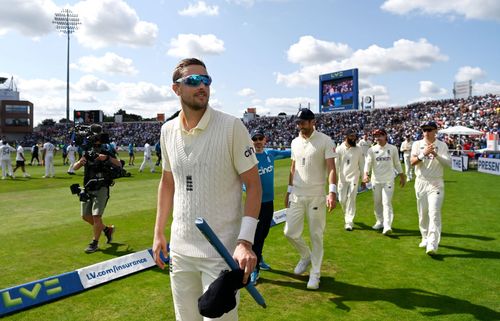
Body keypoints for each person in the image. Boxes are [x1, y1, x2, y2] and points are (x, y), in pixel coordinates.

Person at [152, 58, 262, 320]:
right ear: (176, 89)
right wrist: (158, 232)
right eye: (192, 80)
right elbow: (168, 182)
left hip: (221, 251)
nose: (201, 85)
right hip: (180, 250)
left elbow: (254, 185)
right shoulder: (167, 130)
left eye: (206, 80)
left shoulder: (231, 126)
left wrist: (245, 242)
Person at [284, 108, 337, 290]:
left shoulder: (325, 140)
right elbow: (293, 167)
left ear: (313, 122)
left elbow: (331, 168)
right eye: (298, 123)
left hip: (316, 196)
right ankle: (305, 256)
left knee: (316, 235)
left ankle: (315, 274)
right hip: (297, 195)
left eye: (303, 122)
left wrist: (332, 192)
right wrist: (289, 190)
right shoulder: (294, 142)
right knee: (289, 232)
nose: (300, 126)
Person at [249, 129, 291, 285]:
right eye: (255, 139)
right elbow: (240, 179)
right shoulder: (247, 157)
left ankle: (258, 259)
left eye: (260, 138)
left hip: (269, 203)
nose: (258, 141)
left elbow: (292, 152)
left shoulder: (270, 154)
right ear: (251, 141)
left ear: (265, 140)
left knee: (263, 234)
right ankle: (255, 269)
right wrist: (248, 189)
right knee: (255, 236)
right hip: (254, 203)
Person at [73, 126, 120, 253]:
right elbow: (74, 167)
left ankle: (94, 243)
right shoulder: (87, 152)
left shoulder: (107, 150)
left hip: (102, 186)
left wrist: (107, 158)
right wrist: (80, 163)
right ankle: (107, 230)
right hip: (88, 186)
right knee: (85, 216)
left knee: (96, 216)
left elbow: (119, 164)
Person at [410, 121, 451, 255]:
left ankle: (432, 244)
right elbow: (412, 162)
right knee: (423, 213)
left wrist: (436, 154)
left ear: (435, 131)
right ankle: (425, 237)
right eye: (424, 130)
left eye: (429, 130)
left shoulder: (442, 145)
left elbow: (448, 164)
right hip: (421, 181)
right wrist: (424, 154)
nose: (426, 132)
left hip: (436, 183)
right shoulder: (417, 144)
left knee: (434, 212)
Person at [363, 128, 406, 235]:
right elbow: (367, 163)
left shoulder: (392, 148)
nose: (378, 138)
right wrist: (365, 174)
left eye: (380, 136)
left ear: (385, 136)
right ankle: (379, 221)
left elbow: (397, 163)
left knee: (386, 202)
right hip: (376, 180)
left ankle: (387, 226)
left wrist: (402, 175)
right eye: (376, 136)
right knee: (377, 202)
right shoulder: (371, 149)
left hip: (388, 180)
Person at [335, 129, 365, 231]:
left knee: (351, 197)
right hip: (342, 178)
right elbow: (336, 165)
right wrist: (333, 179)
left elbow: (362, 164)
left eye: (355, 136)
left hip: (354, 177)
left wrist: (364, 178)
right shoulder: (339, 149)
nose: (354, 138)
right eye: (351, 136)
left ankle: (349, 222)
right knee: (342, 200)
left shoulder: (358, 149)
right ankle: (347, 215)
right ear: (346, 136)